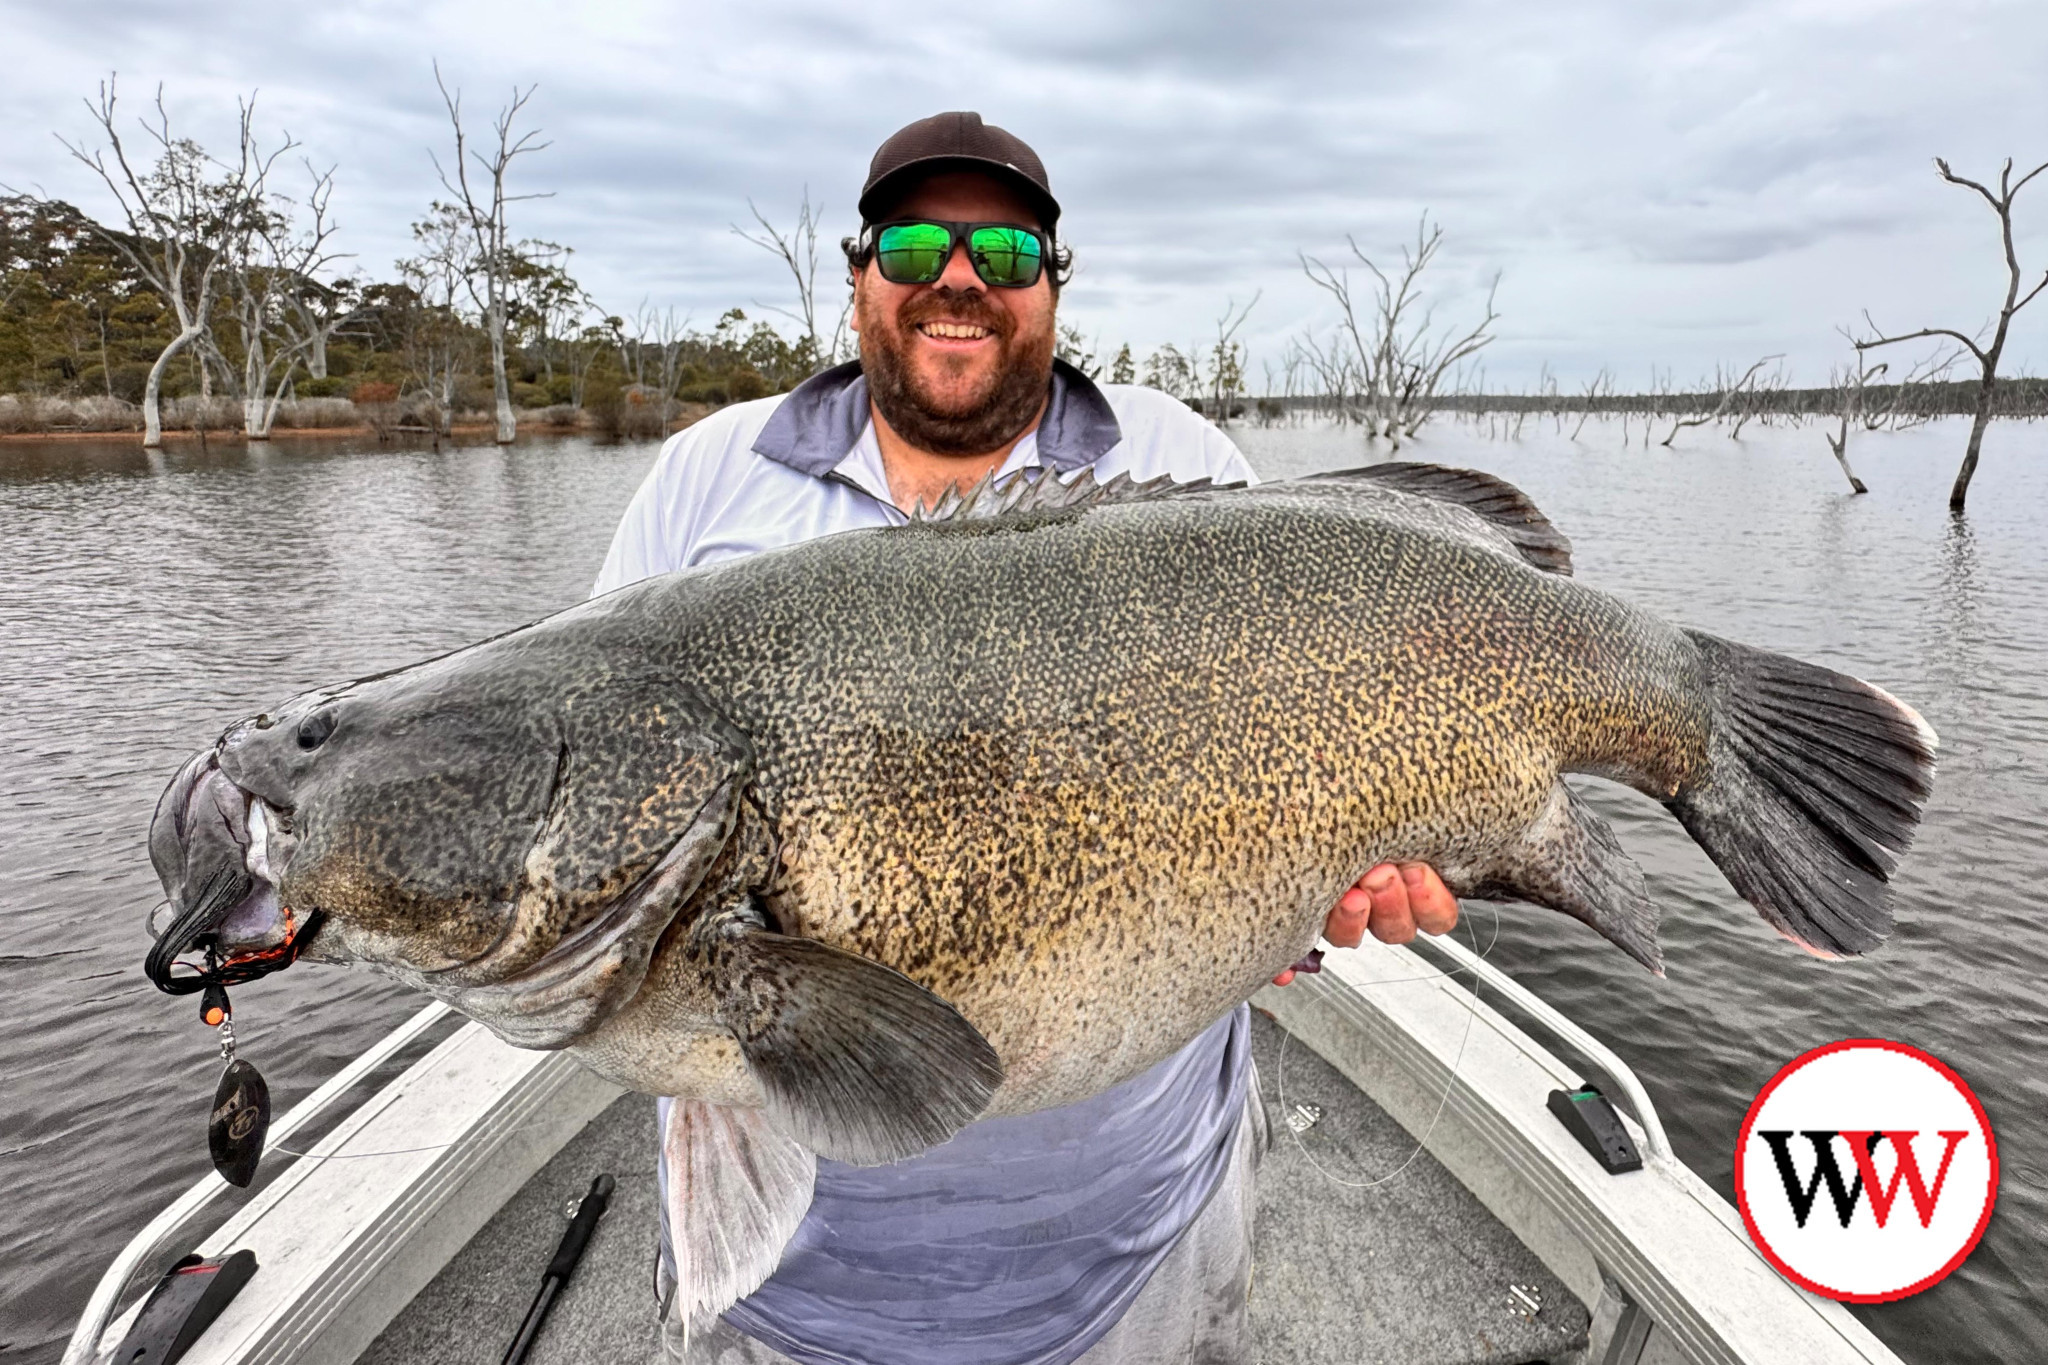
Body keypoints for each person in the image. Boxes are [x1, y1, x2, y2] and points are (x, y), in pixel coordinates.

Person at [592, 111, 1460, 1365]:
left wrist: (1322, 882)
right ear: (857, 278)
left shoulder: (1181, 467)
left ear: (1052, 282)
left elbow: (1290, 771)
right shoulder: (700, 481)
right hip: (800, 1294)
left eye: (1002, 249)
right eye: (911, 246)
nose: (957, 279)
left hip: (1136, 1249)